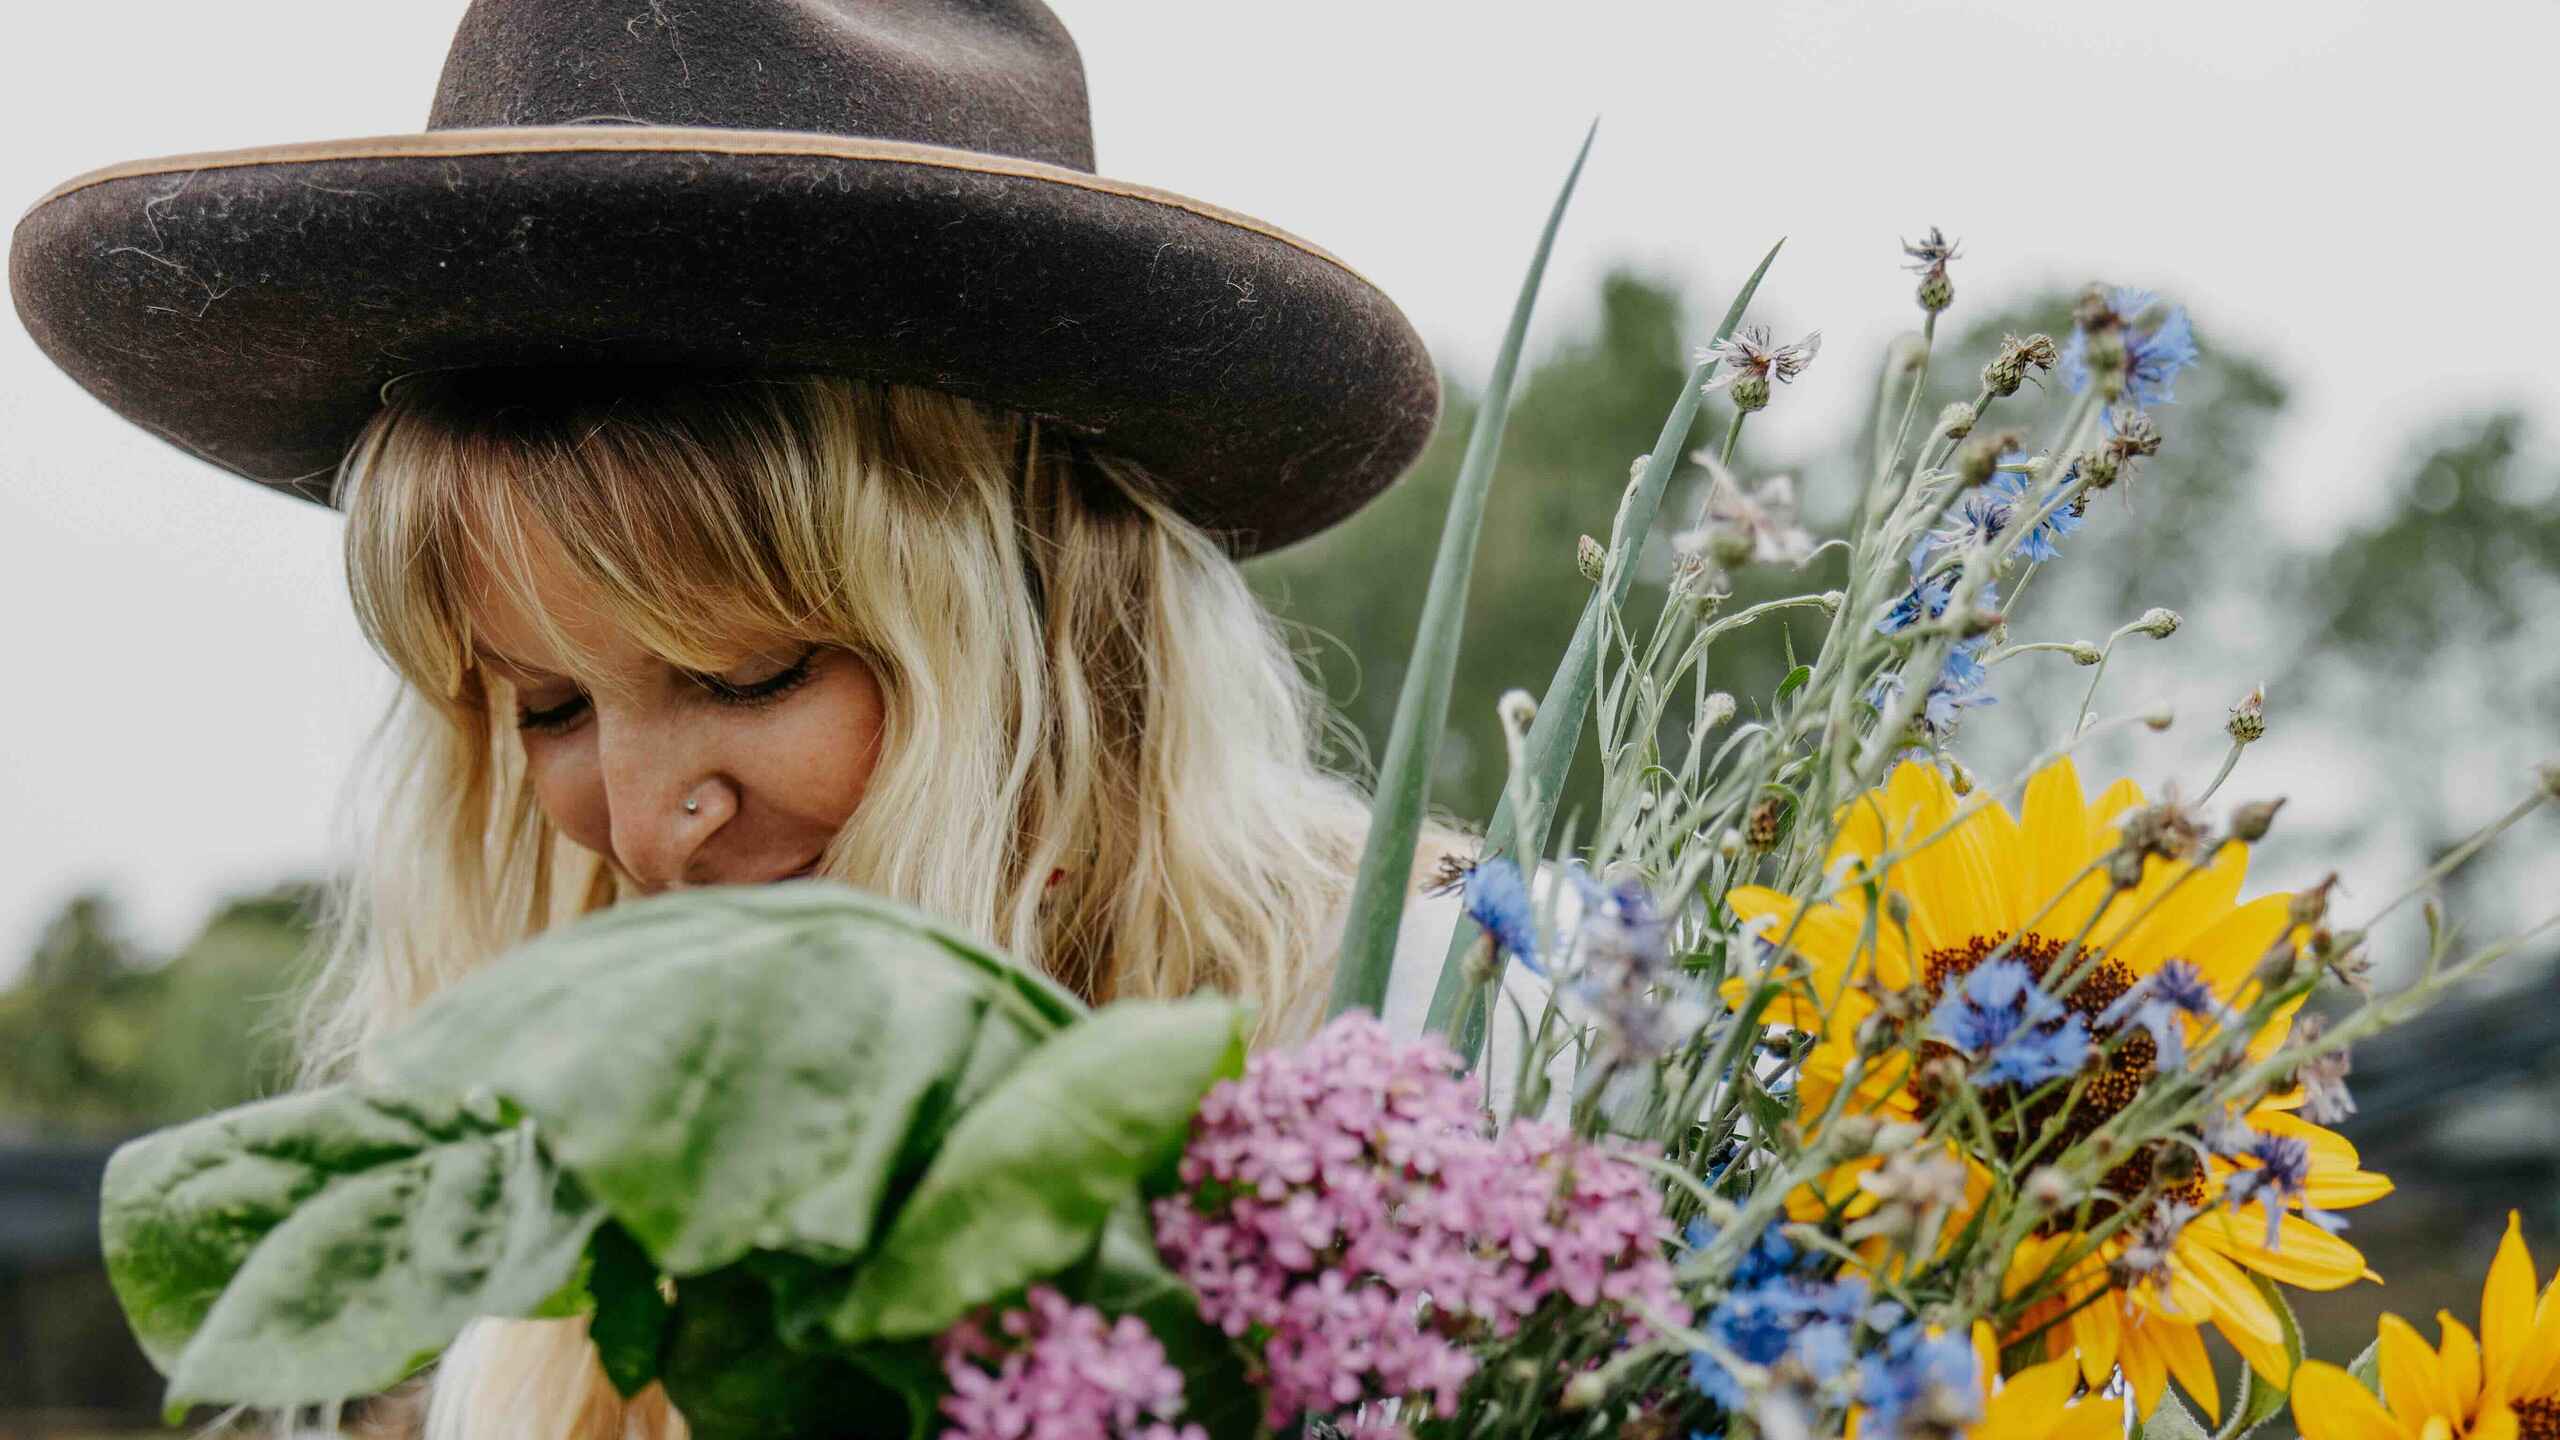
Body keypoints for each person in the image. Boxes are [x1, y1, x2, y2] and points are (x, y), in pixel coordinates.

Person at [11, 2, 1569, 1435]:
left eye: (747, 677)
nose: (635, 822)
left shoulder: (1448, 1063)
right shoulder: (563, 1248)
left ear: (1051, 620)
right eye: (547, 707)